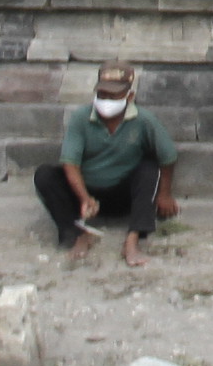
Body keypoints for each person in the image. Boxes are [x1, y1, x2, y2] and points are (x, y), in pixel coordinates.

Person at [33, 65, 179, 266]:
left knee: (148, 168)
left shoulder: (144, 120)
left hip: (123, 194)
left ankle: (133, 240)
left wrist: (165, 194)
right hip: (88, 194)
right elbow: (70, 163)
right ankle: (78, 235)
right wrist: (85, 197)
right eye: (102, 95)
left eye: (113, 96)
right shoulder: (81, 118)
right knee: (44, 175)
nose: (106, 101)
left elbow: (167, 156)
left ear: (129, 97)